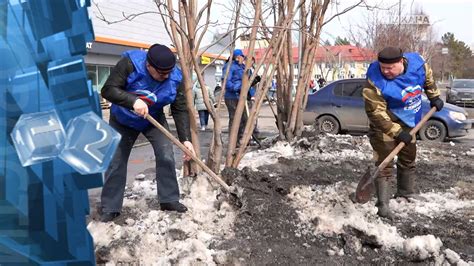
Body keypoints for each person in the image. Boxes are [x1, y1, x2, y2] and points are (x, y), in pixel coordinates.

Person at [99, 43, 195, 222]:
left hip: (153, 119)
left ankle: (169, 199)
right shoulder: (129, 64)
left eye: (168, 73)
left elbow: (180, 108)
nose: (164, 77)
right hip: (123, 119)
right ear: (148, 66)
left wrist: (186, 139)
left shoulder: (175, 76)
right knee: (116, 161)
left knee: (166, 154)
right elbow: (108, 89)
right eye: (160, 74)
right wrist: (132, 101)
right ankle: (110, 207)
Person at [363, 46, 444, 219]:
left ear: (401, 62)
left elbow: (427, 78)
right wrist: (396, 132)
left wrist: (434, 96)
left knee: (408, 157)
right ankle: (383, 205)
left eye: (390, 68)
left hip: (409, 120)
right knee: (384, 163)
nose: (385, 71)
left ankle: (406, 192)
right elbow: (376, 113)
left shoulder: (417, 65)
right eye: (383, 67)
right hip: (385, 123)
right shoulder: (375, 80)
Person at [222, 49, 260, 144]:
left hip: (242, 96)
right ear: (237, 57)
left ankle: (243, 139)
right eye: (241, 57)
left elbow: (247, 82)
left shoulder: (243, 67)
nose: (243, 59)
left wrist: (252, 83)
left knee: (244, 119)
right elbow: (227, 82)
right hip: (232, 97)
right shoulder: (229, 67)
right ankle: (233, 141)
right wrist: (237, 88)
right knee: (235, 118)